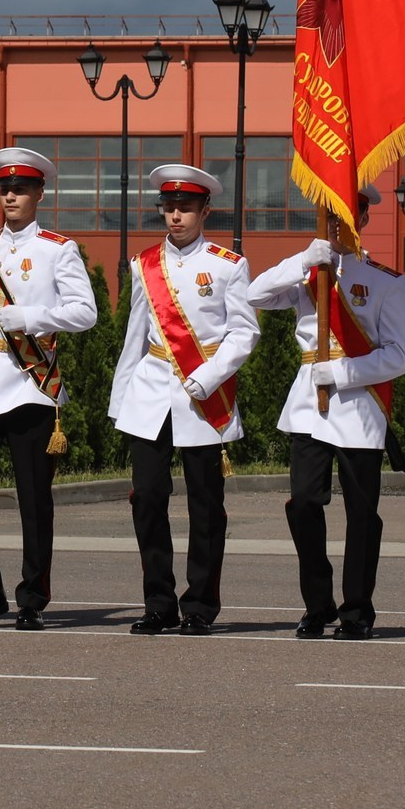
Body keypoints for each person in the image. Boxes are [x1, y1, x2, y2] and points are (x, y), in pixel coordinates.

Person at [246, 186, 405, 641]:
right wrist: (303, 260)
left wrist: (341, 372)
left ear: (363, 217)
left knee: (361, 514)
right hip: (309, 408)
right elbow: (254, 294)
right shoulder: (307, 272)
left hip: (359, 408)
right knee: (303, 503)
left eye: (346, 213)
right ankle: (317, 605)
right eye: (330, 213)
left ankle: (357, 610)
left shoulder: (384, 282)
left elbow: (401, 355)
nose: (338, 222)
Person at [0, 147, 97, 631]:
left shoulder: (58, 249)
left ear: (39, 194)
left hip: (31, 382)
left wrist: (32, 317)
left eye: (21, 189)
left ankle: (32, 597)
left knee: (33, 497)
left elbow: (86, 312)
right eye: (4, 189)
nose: (10, 196)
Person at [110, 164, 258, 637]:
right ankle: (158, 604)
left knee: (205, 506)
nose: (176, 216)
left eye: (186, 208)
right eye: (169, 207)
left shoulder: (228, 265)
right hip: (151, 392)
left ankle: (199, 605)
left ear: (204, 210)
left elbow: (245, 332)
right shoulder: (144, 265)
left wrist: (208, 377)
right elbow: (135, 336)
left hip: (202, 398)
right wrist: (120, 402)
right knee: (147, 498)